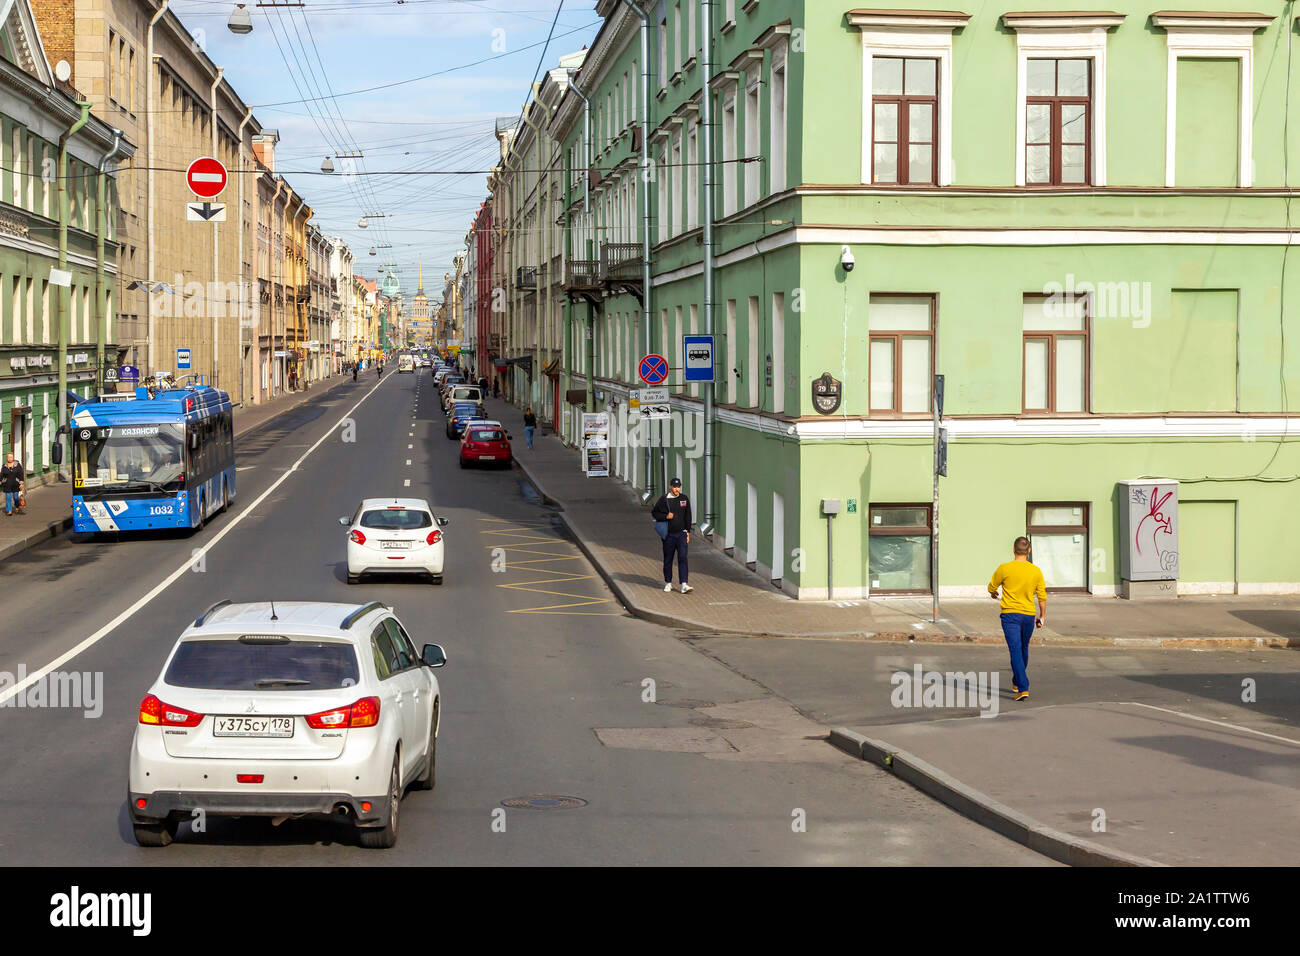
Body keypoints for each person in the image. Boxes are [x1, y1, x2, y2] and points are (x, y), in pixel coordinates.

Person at [988, 536, 1047, 702]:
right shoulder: (1036, 571)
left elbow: (992, 586)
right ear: (1028, 551)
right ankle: (1017, 681)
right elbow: (1042, 596)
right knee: (1023, 649)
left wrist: (993, 593)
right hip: (1028, 615)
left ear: (1013, 550)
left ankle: (1023, 688)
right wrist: (1042, 616)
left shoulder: (1004, 569)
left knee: (1015, 650)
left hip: (1010, 615)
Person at [651, 478, 693, 594]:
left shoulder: (684, 499)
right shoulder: (664, 500)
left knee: (683, 558)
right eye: (675, 487)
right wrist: (665, 516)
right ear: (670, 487)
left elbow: (688, 516)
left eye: (678, 487)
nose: (677, 489)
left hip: (681, 534)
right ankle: (668, 583)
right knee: (668, 559)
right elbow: (654, 513)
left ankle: (684, 584)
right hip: (669, 535)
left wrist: (687, 532)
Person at [1, 451, 25, 516]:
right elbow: (2, 474)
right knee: (8, 498)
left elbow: (21, 474)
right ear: (7, 458)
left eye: (11, 457)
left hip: (16, 483)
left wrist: (21, 483)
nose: (10, 458)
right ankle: (9, 510)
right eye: (8, 457)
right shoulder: (4, 466)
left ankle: (17, 506)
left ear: (13, 457)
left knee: (16, 497)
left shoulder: (17, 465)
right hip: (7, 484)